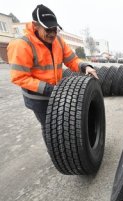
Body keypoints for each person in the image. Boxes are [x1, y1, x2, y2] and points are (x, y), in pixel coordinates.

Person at [7, 4, 98, 141]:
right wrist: (48, 89)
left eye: (55, 29)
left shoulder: (58, 41)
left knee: (64, 126)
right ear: (35, 26)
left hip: (55, 92)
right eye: (48, 29)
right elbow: (19, 77)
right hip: (38, 98)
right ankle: (59, 158)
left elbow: (71, 60)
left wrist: (85, 67)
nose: (52, 34)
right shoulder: (22, 45)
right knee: (51, 130)